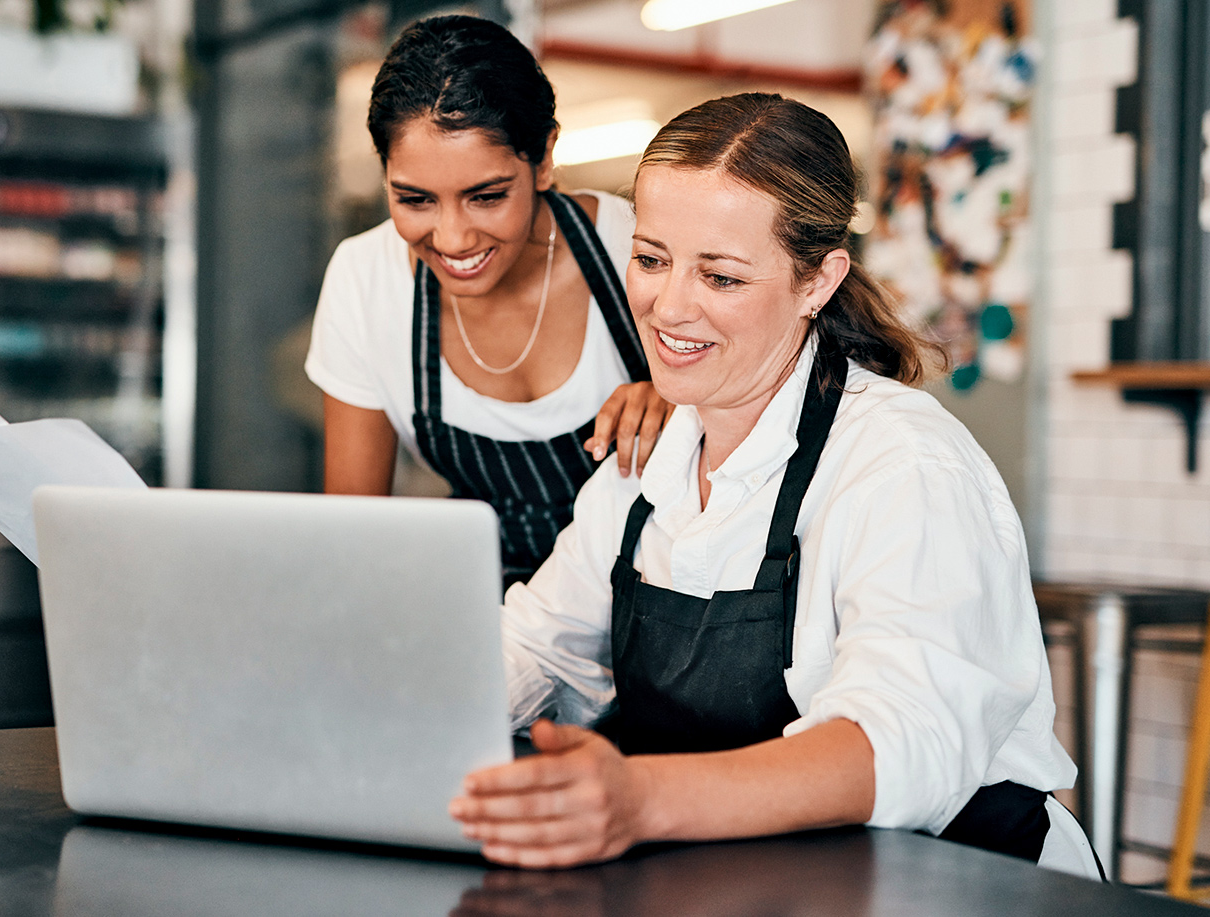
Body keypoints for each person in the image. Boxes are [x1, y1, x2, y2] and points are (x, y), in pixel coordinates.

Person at [447, 93, 1101, 878]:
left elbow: (903, 743)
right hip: (761, 884)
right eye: (652, 259)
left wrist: (643, 795)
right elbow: (537, 649)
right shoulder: (650, 456)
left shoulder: (902, 462)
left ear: (818, 281)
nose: (668, 304)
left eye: (721, 276)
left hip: (959, 887)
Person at [305, 15, 670, 586]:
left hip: (658, 612)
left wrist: (688, 408)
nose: (452, 239)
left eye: (487, 196)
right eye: (415, 199)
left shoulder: (641, 249)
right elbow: (354, 539)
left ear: (544, 158)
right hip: (483, 615)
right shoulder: (365, 280)